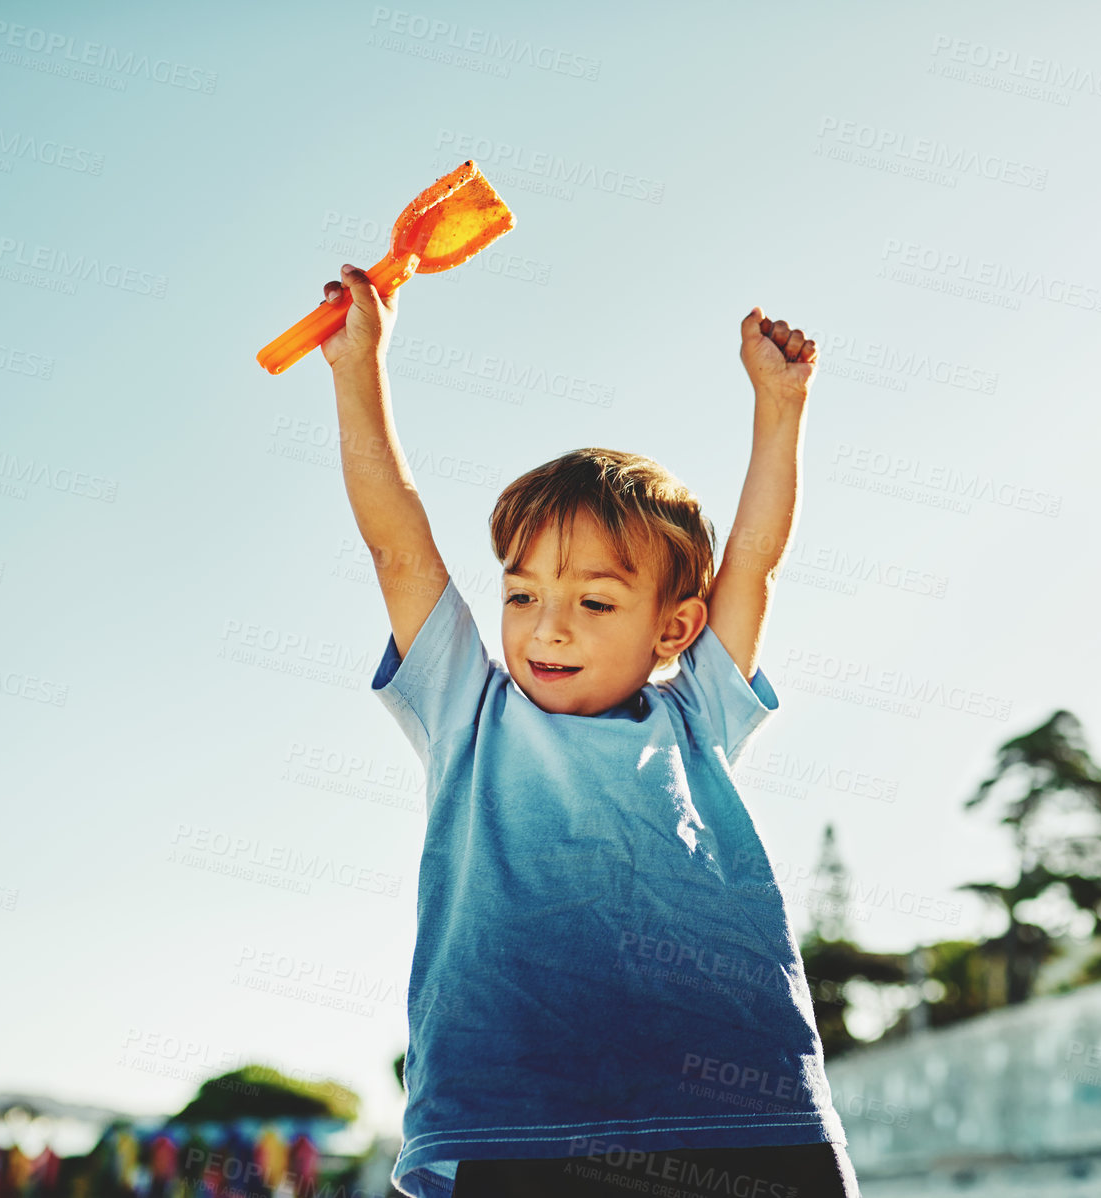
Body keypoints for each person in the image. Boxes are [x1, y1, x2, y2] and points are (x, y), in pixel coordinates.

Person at [316, 263, 860, 1198]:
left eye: (594, 602)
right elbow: (396, 541)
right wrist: (358, 369)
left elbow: (755, 563)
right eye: (521, 595)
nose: (545, 627)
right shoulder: (467, 710)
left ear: (674, 628)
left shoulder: (698, 716)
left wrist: (780, 407)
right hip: (524, 1127)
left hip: (738, 1115)